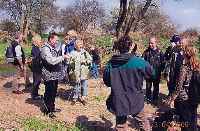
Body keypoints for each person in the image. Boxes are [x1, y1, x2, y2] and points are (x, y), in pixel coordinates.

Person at [103, 35, 154, 131]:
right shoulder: (139, 62)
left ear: (118, 47)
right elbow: (152, 74)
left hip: (119, 101)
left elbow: (107, 82)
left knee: (120, 126)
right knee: (144, 122)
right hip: (135, 100)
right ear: (130, 46)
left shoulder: (111, 63)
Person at [164, 44, 200, 131]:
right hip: (195, 98)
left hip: (184, 100)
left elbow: (178, 88)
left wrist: (169, 100)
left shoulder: (184, 68)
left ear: (185, 54)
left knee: (185, 122)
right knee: (193, 120)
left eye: (183, 52)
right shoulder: (197, 66)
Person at [41, 32, 69, 118]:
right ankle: (47, 110)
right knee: (49, 92)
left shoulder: (52, 47)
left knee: (53, 92)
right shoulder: (45, 48)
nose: (57, 42)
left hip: (55, 74)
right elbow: (51, 61)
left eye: (57, 40)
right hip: (48, 74)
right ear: (50, 39)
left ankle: (52, 108)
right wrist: (63, 57)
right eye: (56, 40)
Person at [69, 39, 92, 106]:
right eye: (79, 45)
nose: (80, 46)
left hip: (84, 73)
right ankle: (75, 98)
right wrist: (71, 61)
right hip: (76, 73)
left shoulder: (85, 52)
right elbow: (69, 63)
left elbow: (90, 60)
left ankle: (83, 98)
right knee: (76, 86)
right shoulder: (72, 53)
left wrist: (85, 61)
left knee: (84, 86)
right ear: (75, 46)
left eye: (81, 44)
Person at [142, 36, 164, 105]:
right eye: (149, 43)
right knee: (148, 87)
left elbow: (163, 63)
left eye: (152, 43)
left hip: (157, 73)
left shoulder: (160, 52)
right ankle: (148, 98)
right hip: (148, 74)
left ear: (156, 43)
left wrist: (161, 71)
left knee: (156, 87)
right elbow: (142, 62)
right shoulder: (146, 52)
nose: (150, 44)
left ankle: (155, 99)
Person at [30, 35, 43, 100]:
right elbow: (37, 58)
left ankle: (35, 94)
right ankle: (34, 95)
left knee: (37, 80)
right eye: (40, 40)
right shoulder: (34, 48)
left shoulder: (36, 48)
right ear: (36, 41)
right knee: (36, 81)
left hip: (37, 67)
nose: (41, 41)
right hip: (36, 67)